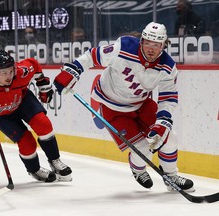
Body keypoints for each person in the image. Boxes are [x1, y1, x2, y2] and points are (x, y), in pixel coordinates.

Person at [53, 22, 194, 192]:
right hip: (113, 107)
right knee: (142, 151)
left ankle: (171, 177)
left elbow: (168, 97)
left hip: (141, 104)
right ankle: (138, 169)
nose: (151, 49)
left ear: (164, 45)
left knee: (169, 137)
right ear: (141, 41)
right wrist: (73, 69)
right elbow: (92, 56)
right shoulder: (124, 48)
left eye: (156, 45)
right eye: (148, 42)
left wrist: (162, 123)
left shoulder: (168, 67)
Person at [0, 50, 72, 183]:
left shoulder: (21, 71)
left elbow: (34, 65)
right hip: (2, 115)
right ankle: (34, 170)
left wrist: (42, 83)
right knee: (27, 143)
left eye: (11, 71)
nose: (9, 76)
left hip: (22, 101)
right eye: (4, 73)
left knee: (43, 124)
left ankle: (55, 161)